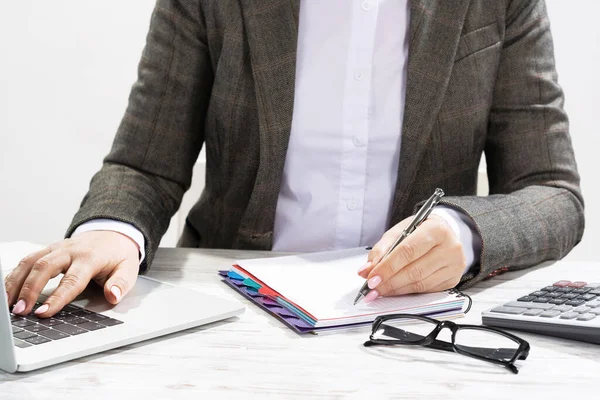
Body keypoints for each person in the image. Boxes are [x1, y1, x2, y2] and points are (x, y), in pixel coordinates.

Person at [5, 0, 584, 317]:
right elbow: (145, 163)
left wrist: (466, 231)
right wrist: (114, 229)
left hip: (415, 320)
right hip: (232, 309)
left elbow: (553, 192)